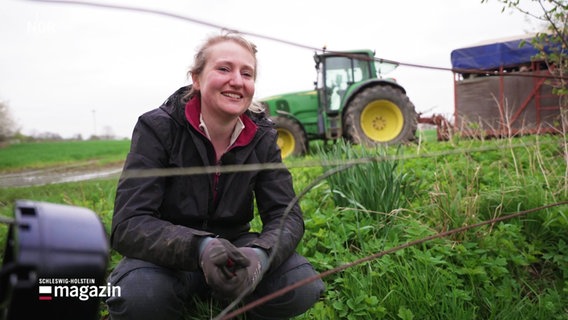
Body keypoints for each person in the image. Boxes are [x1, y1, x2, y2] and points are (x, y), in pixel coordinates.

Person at [105, 31, 325, 320]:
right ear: (196, 78)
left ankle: (239, 303)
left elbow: (287, 215)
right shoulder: (157, 128)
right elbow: (128, 223)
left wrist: (260, 255)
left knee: (301, 285)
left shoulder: (262, 137)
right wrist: (200, 247)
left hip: (235, 254)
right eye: (224, 68)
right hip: (168, 258)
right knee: (139, 295)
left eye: (247, 73)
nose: (237, 81)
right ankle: (176, 298)